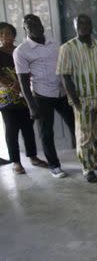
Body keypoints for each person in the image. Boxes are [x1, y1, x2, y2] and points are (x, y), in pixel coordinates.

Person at [57, 14, 97, 183]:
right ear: (74, 26)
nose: (84, 26)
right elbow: (65, 76)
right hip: (82, 100)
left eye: (87, 22)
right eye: (80, 23)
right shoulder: (67, 48)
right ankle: (87, 168)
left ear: (91, 25)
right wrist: (75, 101)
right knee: (84, 136)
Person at [13, 14, 75, 178]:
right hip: (42, 96)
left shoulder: (54, 43)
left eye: (36, 24)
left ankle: (87, 161)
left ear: (42, 25)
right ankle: (54, 166)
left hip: (61, 93)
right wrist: (32, 105)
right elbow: (23, 81)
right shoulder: (21, 51)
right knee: (46, 133)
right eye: (29, 26)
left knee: (77, 126)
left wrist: (71, 93)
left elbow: (64, 68)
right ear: (25, 29)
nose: (34, 28)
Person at [0, 22, 47, 174]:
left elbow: (31, 69)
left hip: (26, 96)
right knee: (11, 130)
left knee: (28, 128)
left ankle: (33, 157)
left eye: (7, 33)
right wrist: (13, 85)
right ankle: (16, 162)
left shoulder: (21, 51)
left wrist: (22, 85)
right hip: (7, 99)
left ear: (14, 35)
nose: (4, 36)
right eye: (1, 34)